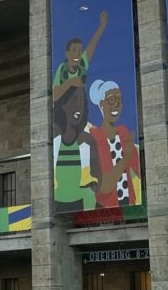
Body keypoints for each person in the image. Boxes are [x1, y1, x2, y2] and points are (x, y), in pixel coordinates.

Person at [87, 79, 142, 208]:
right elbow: (104, 186)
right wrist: (126, 157)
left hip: (130, 203)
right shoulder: (95, 137)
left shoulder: (123, 132)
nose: (117, 104)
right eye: (111, 100)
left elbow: (137, 170)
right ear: (101, 104)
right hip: (105, 207)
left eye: (119, 99)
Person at [52, 83, 100, 211]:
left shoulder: (87, 140)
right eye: (74, 99)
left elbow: (98, 178)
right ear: (63, 104)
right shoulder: (54, 138)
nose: (79, 105)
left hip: (82, 200)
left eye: (82, 101)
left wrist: (92, 185)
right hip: (56, 201)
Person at [52, 11, 108, 102]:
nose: (77, 53)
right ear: (67, 54)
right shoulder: (62, 68)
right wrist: (70, 82)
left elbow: (93, 43)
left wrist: (102, 25)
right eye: (74, 50)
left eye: (79, 50)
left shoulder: (82, 63)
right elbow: (54, 95)